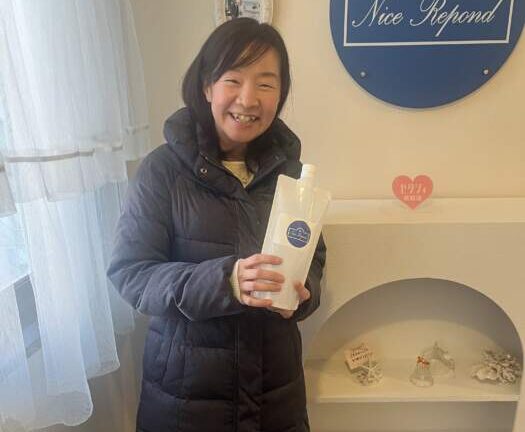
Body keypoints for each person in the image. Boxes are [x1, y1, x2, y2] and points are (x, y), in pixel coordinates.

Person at [107, 17, 326, 432]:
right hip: (185, 398)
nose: (248, 98)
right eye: (233, 80)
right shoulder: (162, 171)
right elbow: (132, 273)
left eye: (266, 84)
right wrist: (226, 282)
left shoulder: (292, 174)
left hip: (275, 393)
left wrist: (304, 291)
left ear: (280, 94)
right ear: (207, 86)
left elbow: (314, 256)